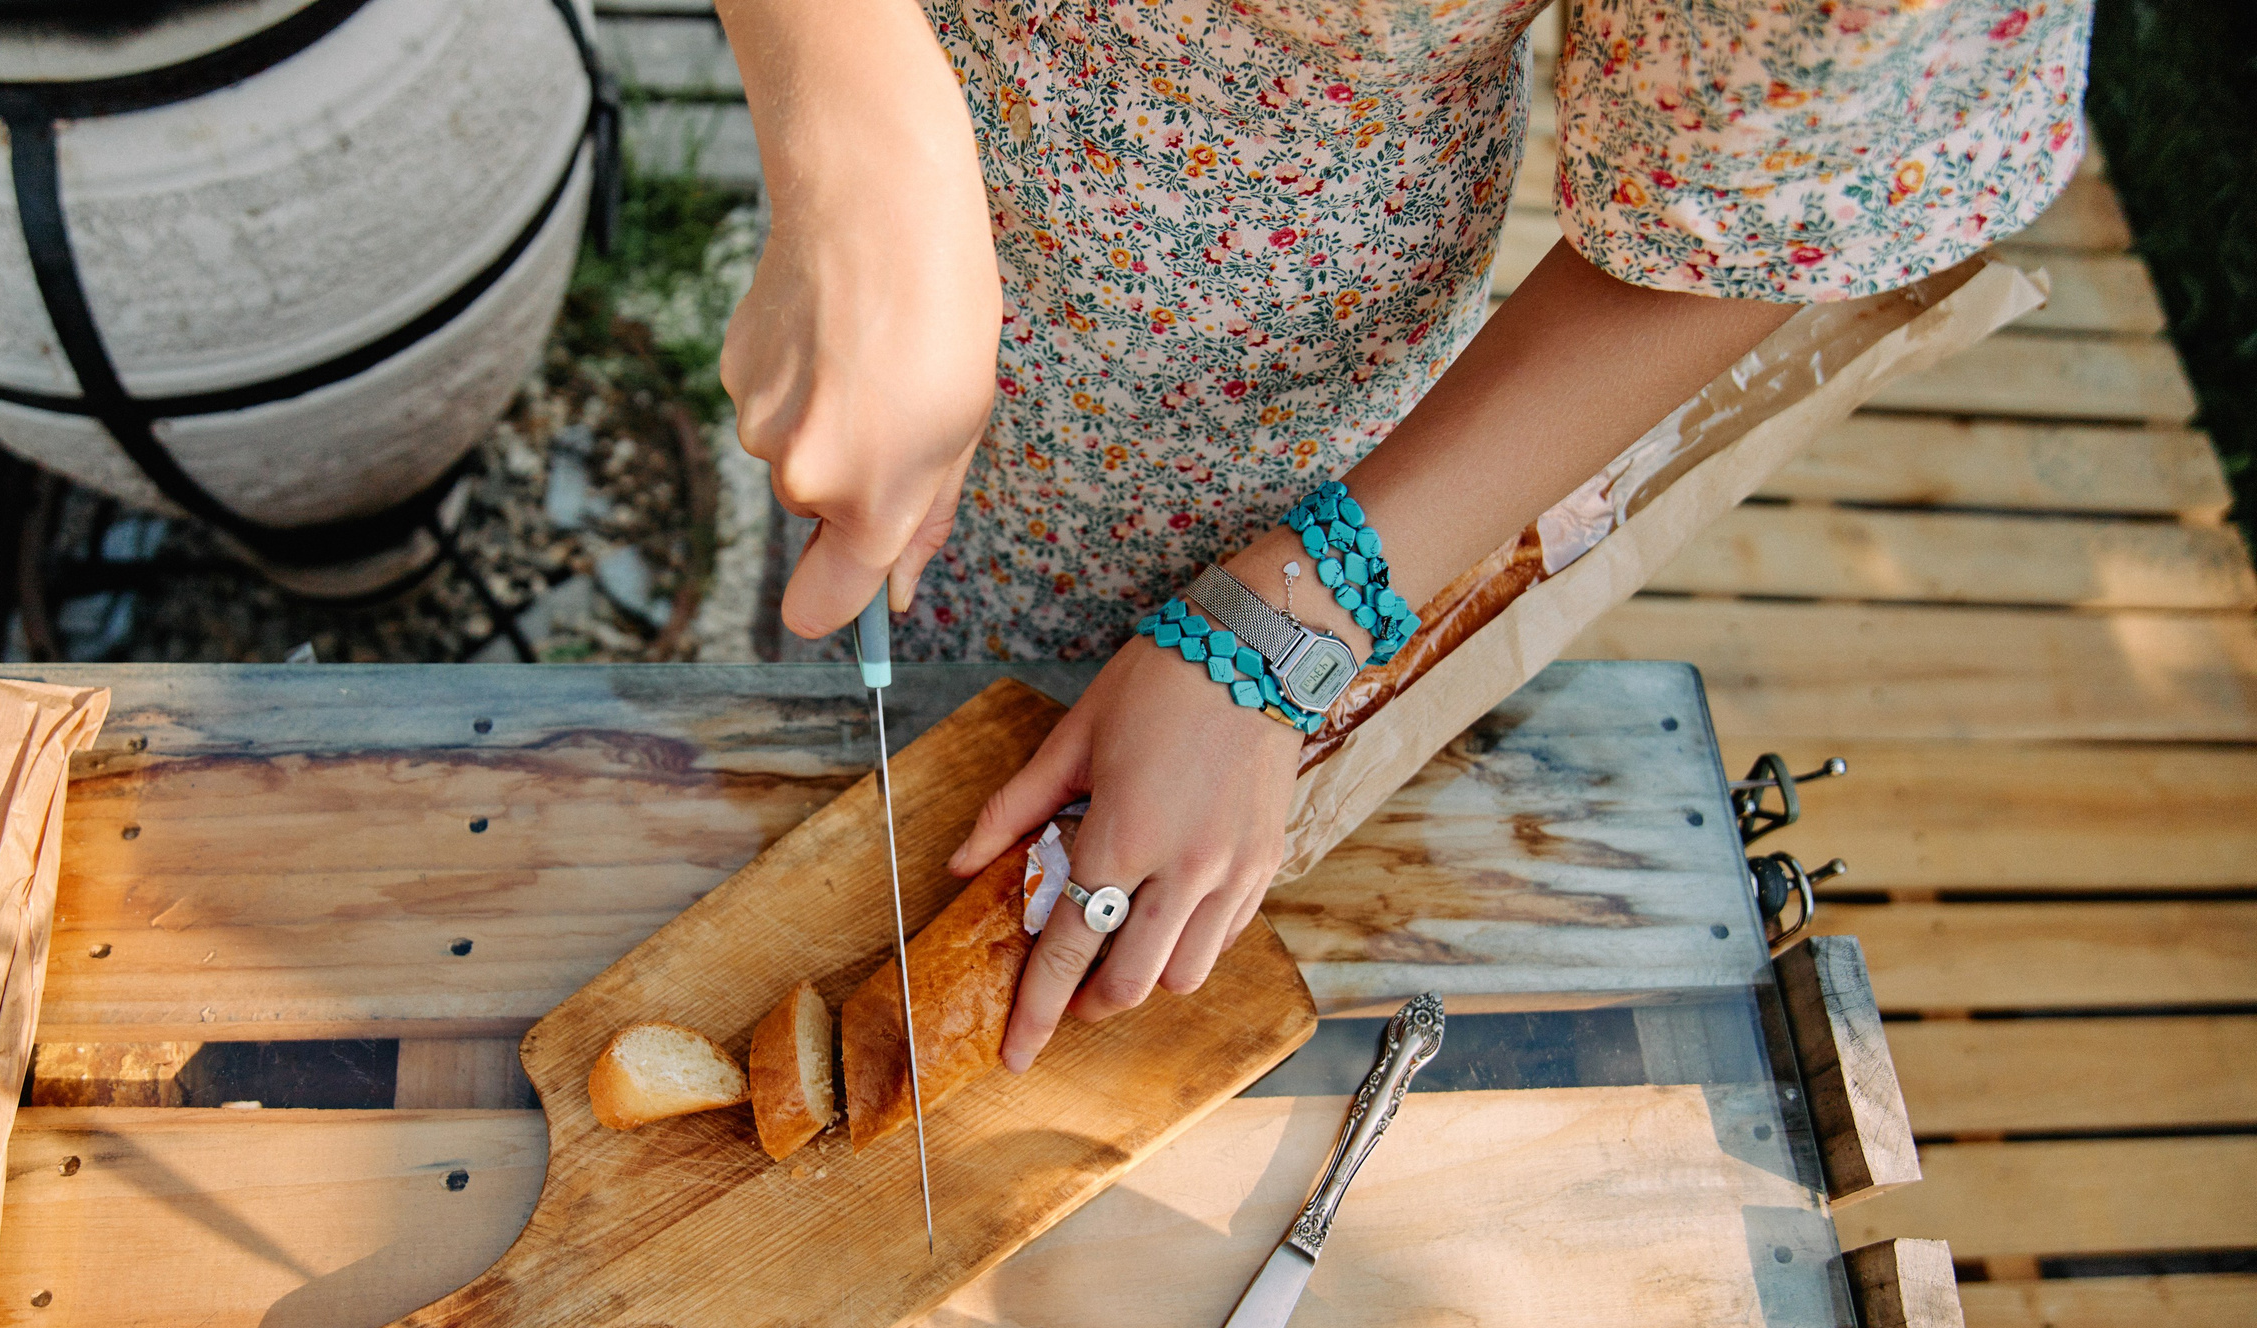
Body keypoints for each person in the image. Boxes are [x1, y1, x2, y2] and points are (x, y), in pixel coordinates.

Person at [715, 0, 2089, 1071]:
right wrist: (846, 124)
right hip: (859, 341)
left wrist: (1278, 632)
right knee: (841, 761)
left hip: (1259, 448)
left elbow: (1776, 214)